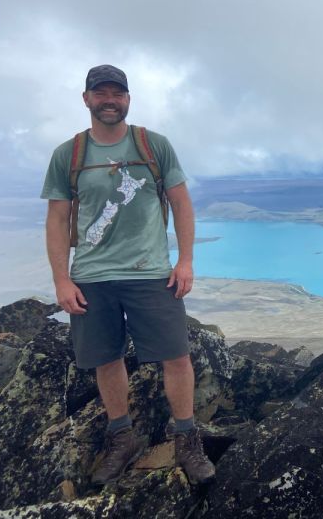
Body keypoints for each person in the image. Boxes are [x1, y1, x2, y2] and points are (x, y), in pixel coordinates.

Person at [41, 64, 215, 486]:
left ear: (128, 99)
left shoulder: (153, 146)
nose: (109, 100)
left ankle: (187, 439)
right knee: (106, 358)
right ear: (86, 99)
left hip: (151, 273)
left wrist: (186, 260)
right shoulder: (70, 154)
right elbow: (58, 219)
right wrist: (62, 280)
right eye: (100, 94)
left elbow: (181, 203)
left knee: (176, 355)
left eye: (116, 93)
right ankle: (123, 436)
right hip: (92, 277)